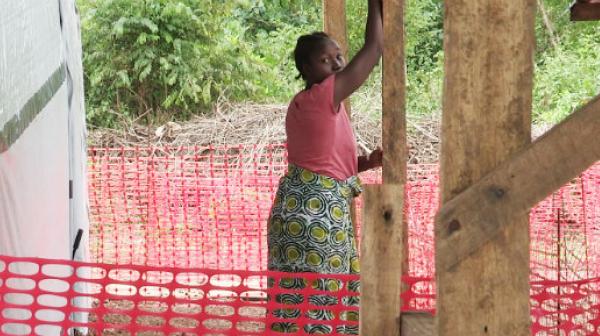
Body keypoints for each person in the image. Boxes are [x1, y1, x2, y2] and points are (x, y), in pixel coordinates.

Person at [267, 0, 383, 334]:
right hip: (317, 213)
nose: (335, 64)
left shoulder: (307, 104)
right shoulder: (323, 96)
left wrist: (364, 163)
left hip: (301, 208)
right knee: (323, 301)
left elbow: (322, 163)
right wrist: (377, 4)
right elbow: (375, 48)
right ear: (306, 67)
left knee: (299, 303)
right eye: (325, 59)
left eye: (338, 57)